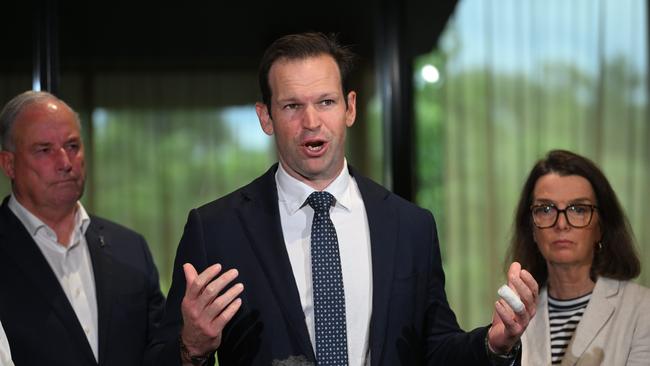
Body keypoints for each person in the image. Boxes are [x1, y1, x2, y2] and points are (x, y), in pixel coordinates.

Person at [146, 32, 538, 366]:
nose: (311, 121)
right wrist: (190, 347)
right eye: (292, 106)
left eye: (326, 102)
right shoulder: (216, 229)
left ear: (350, 108)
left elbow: (435, 348)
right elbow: (162, 353)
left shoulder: (411, 226)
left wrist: (494, 344)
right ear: (266, 118)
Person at [0, 91, 166, 365]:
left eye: (73, 146)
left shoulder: (130, 248)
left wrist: (191, 341)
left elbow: (161, 352)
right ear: (9, 164)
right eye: (45, 150)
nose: (65, 163)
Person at [506, 149, 650, 365]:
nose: (561, 224)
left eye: (578, 209)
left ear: (600, 227)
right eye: (546, 209)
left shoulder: (642, 309)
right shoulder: (516, 313)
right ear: (532, 229)